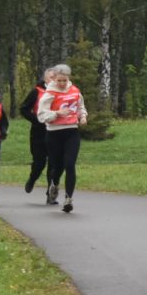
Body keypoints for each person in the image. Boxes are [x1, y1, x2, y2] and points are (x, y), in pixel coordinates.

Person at [37, 64, 84, 213]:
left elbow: (81, 106)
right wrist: (57, 113)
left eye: (65, 80)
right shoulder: (49, 93)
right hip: (54, 133)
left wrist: (83, 116)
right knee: (57, 166)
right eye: (59, 80)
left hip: (71, 131)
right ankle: (54, 184)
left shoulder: (75, 90)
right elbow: (41, 116)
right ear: (54, 79)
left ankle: (68, 199)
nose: (62, 83)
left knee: (70, 165)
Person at [18, 68, 55, 195]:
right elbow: (23, 109)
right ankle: (32, 178)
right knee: (39, 163)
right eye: (51, 77)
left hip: (55, 132)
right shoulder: (36, 91)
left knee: (54, 163)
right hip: (39, 133)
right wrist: (37, 120)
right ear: (45, 79)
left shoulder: (62, 93)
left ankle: (51, 192)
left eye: (56, 77)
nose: (54, 80)